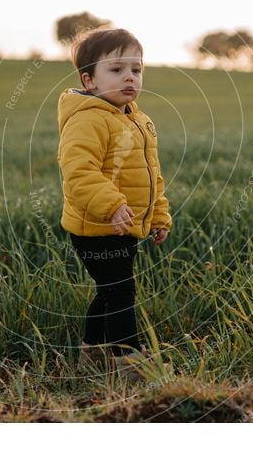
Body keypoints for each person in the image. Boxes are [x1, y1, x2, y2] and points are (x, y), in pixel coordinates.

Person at [57, 27, 172, 382]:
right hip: (97, 227)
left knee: (109, 292)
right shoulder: (87, 119)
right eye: (117, 69)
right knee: (121, 293)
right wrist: (110, 205)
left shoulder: (137, 120)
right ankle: (131, 365)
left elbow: (151, 175)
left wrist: (158, 215)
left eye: (136, 70)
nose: (129, 77)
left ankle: (91, 358)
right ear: (89, 80)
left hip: (124, 225)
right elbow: (79, 171)